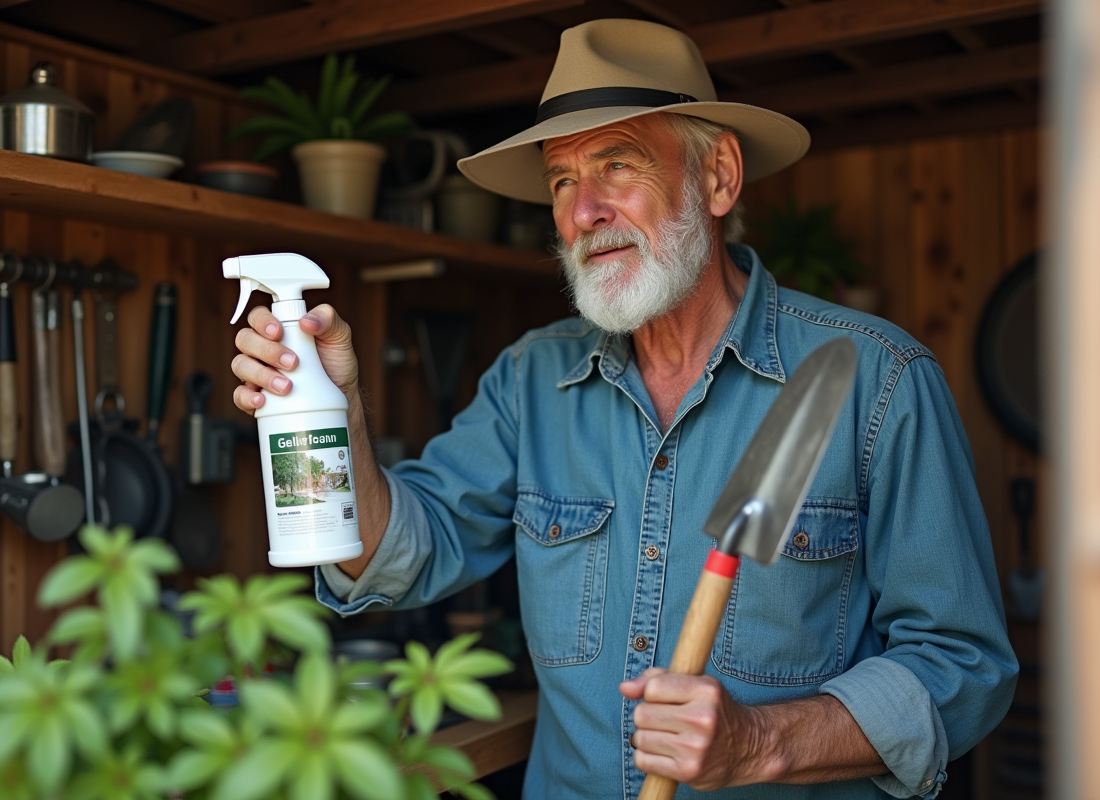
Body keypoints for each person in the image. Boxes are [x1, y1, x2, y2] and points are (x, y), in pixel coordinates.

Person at [230, 19, 1017, 800]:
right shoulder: (530, 381)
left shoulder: (879, 381)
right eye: (563, 180)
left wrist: (760, 743)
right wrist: (339, 408)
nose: (584, 211)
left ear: (718, 179)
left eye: (617, 164)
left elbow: (963, 666)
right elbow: (401, 555)